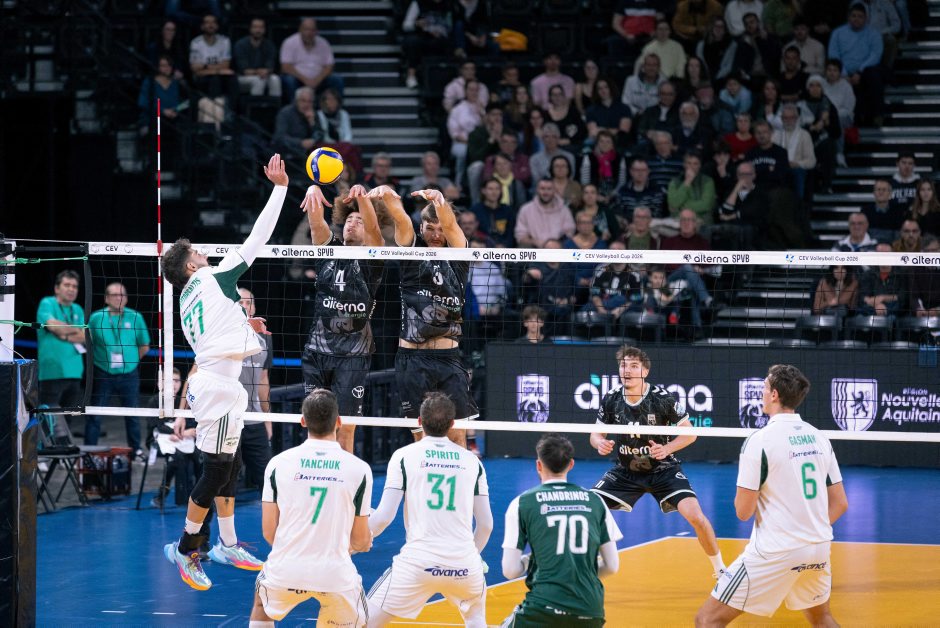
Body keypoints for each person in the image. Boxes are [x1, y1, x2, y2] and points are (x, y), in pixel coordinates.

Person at [160, 154, 288, 590]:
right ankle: (185, 548)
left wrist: (244, 324)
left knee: (228, 466)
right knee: (216, 471)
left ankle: (227, 544)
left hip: (221, 385)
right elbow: (258, 237)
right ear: (191, 266)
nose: (204, 252)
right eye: (198, 252)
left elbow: (213, 333)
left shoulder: (187, 298)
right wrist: (280, 189)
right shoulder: (213, 278)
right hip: (216, 388)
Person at [695, 364, 848, 627]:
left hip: (776, 551)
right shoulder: (819, 438)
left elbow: (743, 512)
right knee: (822, 619)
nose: (762, 393)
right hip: (819, 548)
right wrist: (807, 531)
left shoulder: (760, 441)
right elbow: (840, 503)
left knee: (707, 620)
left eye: (765, 388)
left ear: (775, 394)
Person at [590, 346, 726, 577]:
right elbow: (595, 434)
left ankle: (721, 570)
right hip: (626, 471)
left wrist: (667, 448)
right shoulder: (611, 398)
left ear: (645, 371)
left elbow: (690, 433)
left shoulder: (662, 399)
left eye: (634, 366)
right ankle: (593, 561)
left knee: (696, 516)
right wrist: (599, 443)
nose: (627, 371)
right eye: (623, 365)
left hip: (663, 469)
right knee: (589, 506)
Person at [367, 392, 493, 627]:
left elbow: (383, 517)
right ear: (452, 424)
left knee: (362, 621)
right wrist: (470, 555)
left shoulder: (403, 456)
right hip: (464, 566)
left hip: (417, 564)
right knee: (476, 620)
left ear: (419, 422)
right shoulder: (472, 462)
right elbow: (486, 525)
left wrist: (354, 540)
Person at [250, 389, 373, 626]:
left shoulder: (277, 464)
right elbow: (359, 541)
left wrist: (298, 550)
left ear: (303, 421)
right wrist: (362, 543)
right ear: (339, 422)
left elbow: (269, 532)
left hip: (285, 570)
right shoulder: (359, 469)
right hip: (334, 575)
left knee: (261, 604)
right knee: (357, 617)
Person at [383, 188, 476, 447]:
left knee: (457, 436)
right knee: (420, 438)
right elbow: (401, 219)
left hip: (448, 357)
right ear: (421, 228)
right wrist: (388, 197)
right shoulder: (412, 251)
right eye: (430, 228)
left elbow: (451, 225)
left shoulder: (458, 255)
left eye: (440, 229)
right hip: (412, 358)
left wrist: (439, 200)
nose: (436, 235)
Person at [501, 434, 623, 627]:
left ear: (539, 465)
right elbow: (612, 566)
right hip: (590, 610)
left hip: (543, 608)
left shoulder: (522, 503)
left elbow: (510, 571)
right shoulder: (595, 501)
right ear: (571, 464)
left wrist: (530, 560)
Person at [300, 184, 384, 453]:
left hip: (353, 355)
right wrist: (313, 190)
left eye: (359, 221)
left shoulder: (372, 258)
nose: (352, 224)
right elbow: (316, 224)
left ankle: (344, 475)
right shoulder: (329, 250)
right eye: (349, 220)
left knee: (345, 427)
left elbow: (375, 231)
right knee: (315, 424)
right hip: (317, 352)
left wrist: (363, 199)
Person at [86, 282, 150, 453]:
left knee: (132, 415)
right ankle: (88, 452)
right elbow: (87, 342)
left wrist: (131, 361)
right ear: (106, 298)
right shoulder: (96, 318)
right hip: (103, 372)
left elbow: (144, 345)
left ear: (126, 298)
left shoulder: (135, 317)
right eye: (114, 295)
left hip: (129, 374)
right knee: (94, 414)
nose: (119, 298)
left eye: (122, 295)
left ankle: (136, 451)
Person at [37, 270, 85, 442]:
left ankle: (63, 451)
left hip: (75, 372)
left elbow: (84, 336)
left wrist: (63, 334)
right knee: (49, 418)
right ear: (57, 288)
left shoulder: (77, 309)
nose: (71, 289)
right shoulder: (47, 303)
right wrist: (73, 330)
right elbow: (52, 326)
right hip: (52, 371)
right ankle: (45, 451)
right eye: (67, 285)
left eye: (75, 286)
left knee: (67, 418)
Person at [233, 287, 272, 494]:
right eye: (241, 302)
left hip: (254, 418)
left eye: (249, 302)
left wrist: (268, 418)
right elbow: (195, 371)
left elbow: (264, 379)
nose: (245, 306)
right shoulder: (221, 332)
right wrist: (181, 414)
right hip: (228, 420)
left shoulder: (265, 337)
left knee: (268, 481)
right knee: (223, 481)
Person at [828, 3, 885, 126]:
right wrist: (843, 73)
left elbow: (875, 55)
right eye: (853, 16)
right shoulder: (838, 33)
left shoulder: (874, 34)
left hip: (866, 70)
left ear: (866, 18)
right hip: (842, 71)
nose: (856, 19)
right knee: (832, 74)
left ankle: (876, 115)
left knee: (874, 76)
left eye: (860, 16)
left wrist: (860, 71)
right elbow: (833, 54)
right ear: (848, 17)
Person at [280, 18, 343, 103]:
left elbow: (329, 65)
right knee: (289, 80)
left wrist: (317, 80)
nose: (309, 33)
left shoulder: (323, 43)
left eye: (312, 30)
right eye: (306, 29)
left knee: (336, 80)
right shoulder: (289, 42)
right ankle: (295, 108)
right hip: (298, 80)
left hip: (319, 80)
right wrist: (306, 80)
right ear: (300, 30)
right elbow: (286, 67)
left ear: (316, 31)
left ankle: (335, 109)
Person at [189, 14, 238, 114]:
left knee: (232, 79)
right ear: (202, 26)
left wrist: (205, 66)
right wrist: (217, 69)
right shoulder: (196, 43)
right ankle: (214, 114)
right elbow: (195, 69)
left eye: (213, 22)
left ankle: (232, 113)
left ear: (217, 26)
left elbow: (226, 65)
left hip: (220, 76)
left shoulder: (225, 41)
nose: (210, 25)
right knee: (215, 80)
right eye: (207, 22)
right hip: (202, 79)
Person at [515, 178, 576, 248]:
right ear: (537, 190)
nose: (546, 192)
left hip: (559, 248)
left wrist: (553, 244)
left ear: (554, 190)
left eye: (549, 189)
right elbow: (521, 236)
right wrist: (536, 242)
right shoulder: (525, 210)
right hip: (535, 248)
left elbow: (569, 231)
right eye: (542, 189)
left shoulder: (564, 210)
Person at [232, 18, 281, 98]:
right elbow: (244, 70)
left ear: (264, 30)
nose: (258, 30)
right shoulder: (240, 45)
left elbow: (270, 66)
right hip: (242, 78)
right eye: (255, 27)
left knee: (275, 79)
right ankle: (255, 105)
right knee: (259, 80)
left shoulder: (269, 45)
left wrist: (267, 71)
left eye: (261, 27)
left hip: (263, 76)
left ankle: (275, 104)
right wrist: (259, 72)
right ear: (250, 29)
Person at [858, 242, 907, 316]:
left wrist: (883, 298)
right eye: (880, 254)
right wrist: (877, 304)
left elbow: (902, 297)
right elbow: (863, 296)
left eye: (886, 254)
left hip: (895, 311)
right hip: (871, 309)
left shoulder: (901, 274)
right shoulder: (868, 274)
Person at [622, 53, 667, 117]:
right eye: (649, 65)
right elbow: (625, 101)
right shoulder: (631, 81)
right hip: (634, 116)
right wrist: (637, 112)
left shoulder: (664, 83)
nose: (651, 68)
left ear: (659, 67)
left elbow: (665, 103)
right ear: (643, 66)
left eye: (654, 65)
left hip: (655, 117)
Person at [864, 179, 906, 244]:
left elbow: (899, 237)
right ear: (874, 193)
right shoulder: (865, 211)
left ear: (890, 193)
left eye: (884, 190)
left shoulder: (898, 212)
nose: (881, 192)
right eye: (878, 189)